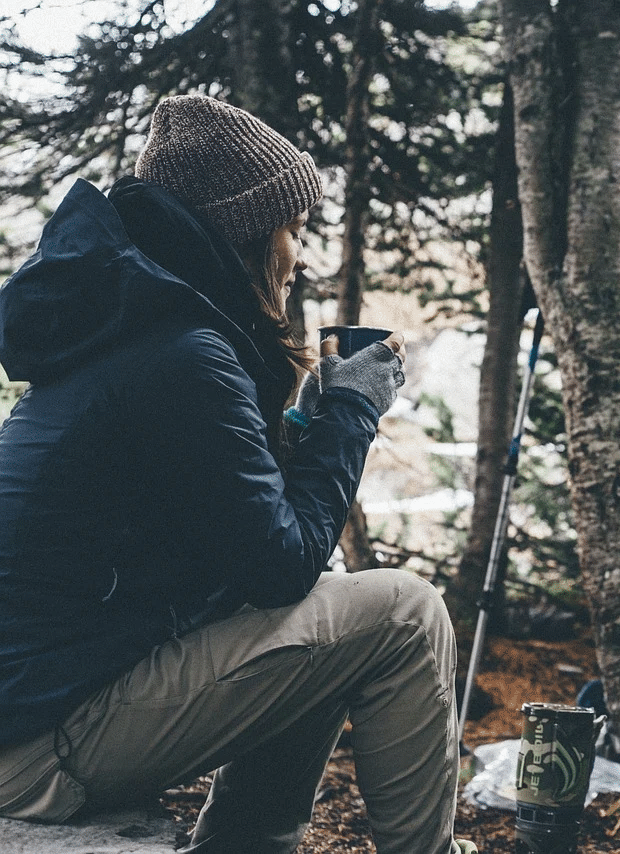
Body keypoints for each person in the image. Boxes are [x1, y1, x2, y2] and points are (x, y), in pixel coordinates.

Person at [0, 94, 473, 854]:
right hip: (40, 745)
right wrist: (350, 413)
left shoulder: (128, 330)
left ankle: (249, 844)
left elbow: (239, 543)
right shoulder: (185, 354)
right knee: (402, 612)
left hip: (30, 714)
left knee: (327, 616)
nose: (300, 254)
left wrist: (303, 426)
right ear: (245, 231)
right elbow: (278, 567)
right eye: (293, 229)